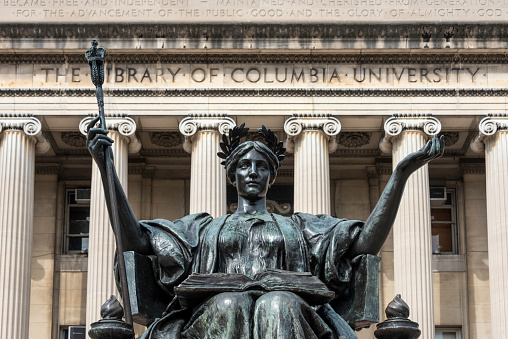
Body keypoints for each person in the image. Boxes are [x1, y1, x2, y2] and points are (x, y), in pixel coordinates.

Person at [87, 120, 444, 339]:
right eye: (244, 165)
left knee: (278, 304)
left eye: (261, 166)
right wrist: (107, 171)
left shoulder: (302, 228)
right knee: (230, 303)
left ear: (272, 176)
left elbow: (365, 242)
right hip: (216, 314)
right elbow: (134, 239)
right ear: (233, 175)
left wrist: (400, 176)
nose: (253, 172)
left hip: (290, 312)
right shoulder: (201, 228)